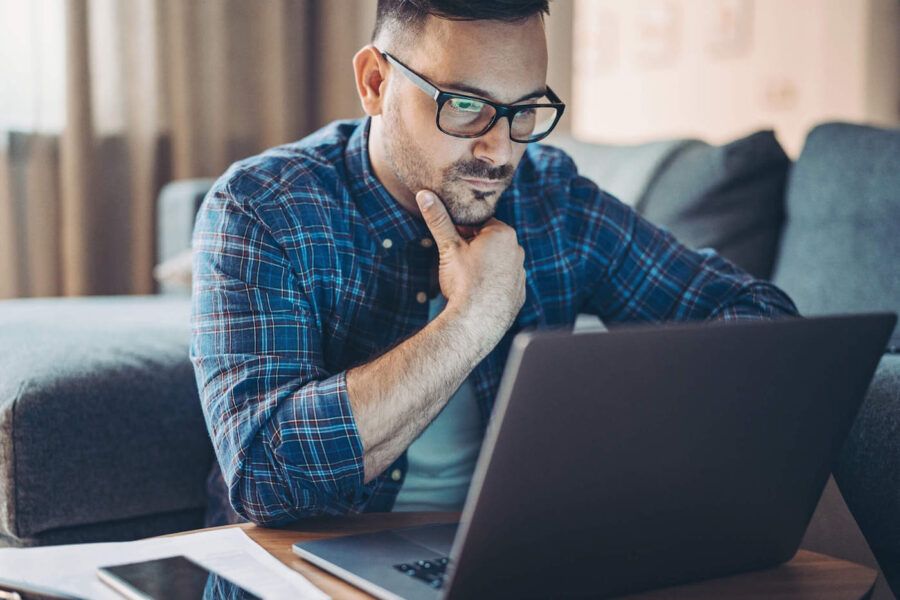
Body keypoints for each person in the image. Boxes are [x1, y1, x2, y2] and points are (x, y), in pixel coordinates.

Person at [190, 0, 798, 527]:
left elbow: (760, 319)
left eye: (525, 109)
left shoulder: (553, 200)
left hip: (514, 558)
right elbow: (266, 480)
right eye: (463, 106)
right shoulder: (263, 208)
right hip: (302, 568)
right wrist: (473, 322)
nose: (501, 149)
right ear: (375, 81)